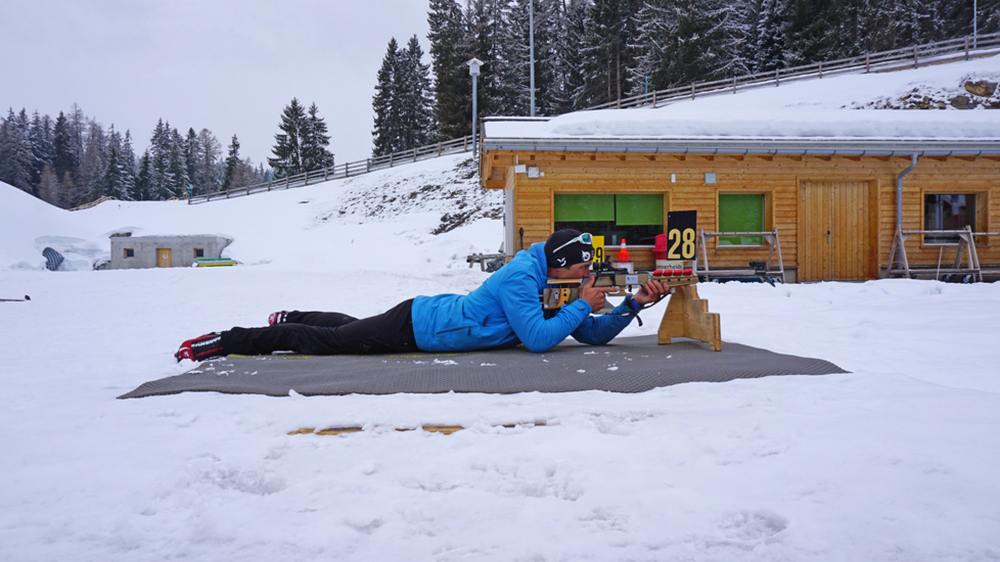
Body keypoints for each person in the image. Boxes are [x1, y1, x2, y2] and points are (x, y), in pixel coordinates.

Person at [174, 229, 669, 362]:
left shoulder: (554, 281)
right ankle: (230, 338)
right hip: (420, 326)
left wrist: (633, 305)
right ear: (563, 263)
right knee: (336, 342)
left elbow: (593, 337)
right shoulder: (522, 279)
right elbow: (541, 340)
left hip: (426, 318)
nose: (591, 273)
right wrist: (585, 302)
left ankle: (295, 314)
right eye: (585, 266)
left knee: (350, 327)